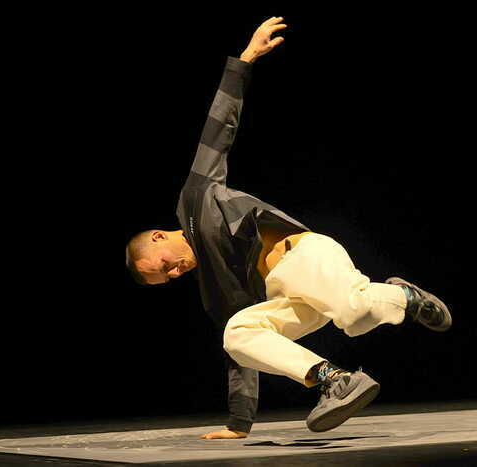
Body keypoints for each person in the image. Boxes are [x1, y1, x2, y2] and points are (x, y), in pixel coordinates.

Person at [125, 17, 452, 440]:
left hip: (305, 256)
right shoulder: (214, 286)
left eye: (164, 265)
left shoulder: (194, 201)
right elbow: (242, 358)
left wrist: (243, 61)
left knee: (355, 315)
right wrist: (238, 424)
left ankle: (404, 294)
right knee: (237, 331)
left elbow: (217, 133)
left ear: (157, 237)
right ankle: (334, 380)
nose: (174, 274)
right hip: (288, 293)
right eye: (165, 279)